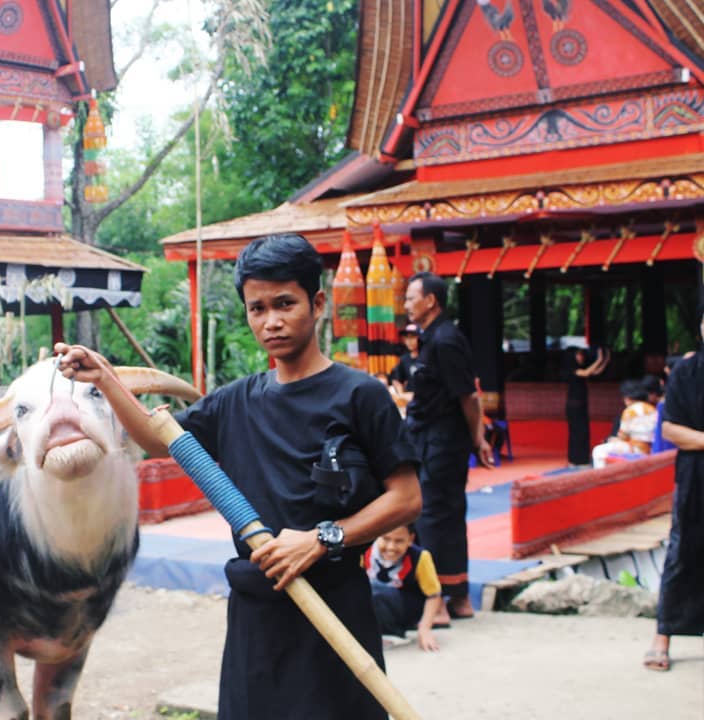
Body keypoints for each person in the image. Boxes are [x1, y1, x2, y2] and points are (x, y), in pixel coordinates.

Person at [56, 233, 421, 720]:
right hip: (259, 616)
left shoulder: (359, 395)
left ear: (317, 304)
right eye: (257, 308)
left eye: (285, 304)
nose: (271, 321)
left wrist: (320, 538)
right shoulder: (235, 402)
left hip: (335, 609)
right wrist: (104, 377)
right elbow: (158, 439)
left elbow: (406, 498)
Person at [403, 272, 494, 623]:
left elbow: (468, 396)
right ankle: (459, 599)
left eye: (412, 297)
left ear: (431, 301)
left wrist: (478, 437)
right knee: (446, 515)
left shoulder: (445, 340)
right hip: (430, 437)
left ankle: (439, 600)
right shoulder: (431, 339)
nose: (407, 304)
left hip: (442, 441)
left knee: (435, 516)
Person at [643, 312, 704, 672]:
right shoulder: (686, 372)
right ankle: (662, 635)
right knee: (682, 551)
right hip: (696, 476)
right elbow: (671, 428)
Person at [363, 524, 442, 652]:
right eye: (386, 539)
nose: (391, 547)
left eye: (399, 541)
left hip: (403, 608)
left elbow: (433, 595)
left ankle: (393, 632)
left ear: (410, 539)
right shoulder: (365, 552)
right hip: (374, 605)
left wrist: (425, 628)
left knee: (376, 592)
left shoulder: (420, 557)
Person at [591, 380, 657, 468]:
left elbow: (622, 437)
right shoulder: (653, 409)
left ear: (628, 397)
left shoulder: (630, 411)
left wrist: (611, 440)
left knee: (598, 450)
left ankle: (601, 477)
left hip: (636, 448)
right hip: (651, 447)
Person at [564, 347, 609, 466]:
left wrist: (605, 360)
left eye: (581, 355)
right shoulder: (571, 369)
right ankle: (574, 459)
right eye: (578, 355)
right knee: (576, 433)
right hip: (574, 407)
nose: (581, 357)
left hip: (582, 405)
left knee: (584, 432)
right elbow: (587, 373)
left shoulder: (582, 368)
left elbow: (595, 372)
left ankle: (583, 458)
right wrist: (599, 360)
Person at [389, 323, 421, 402]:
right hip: (410, 399)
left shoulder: (426, 357)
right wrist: (401, 394)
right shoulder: (404, 359)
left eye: (413, 337)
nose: (409, 341)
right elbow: (397, 379)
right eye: (407, 338)